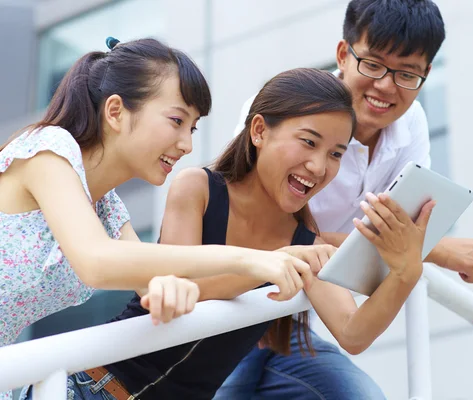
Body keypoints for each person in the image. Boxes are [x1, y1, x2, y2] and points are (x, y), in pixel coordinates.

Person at [50, 67, 434, 400]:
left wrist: (405, 272)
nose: (318, 166)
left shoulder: (305, 244)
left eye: (336, 153)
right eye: (308, 142)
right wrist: (264, 265)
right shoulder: (198, 188)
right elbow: (173, 289)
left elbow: (353, 333)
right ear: (259, 131)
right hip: (95, 385)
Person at [0, 37, 315, 400]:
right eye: (177, 120)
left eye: (192, 128)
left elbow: (157, 283)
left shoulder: (106, 208)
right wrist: (252, 258)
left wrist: (175, 287)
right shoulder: (46, 151)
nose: (187, 144)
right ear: (116, 111)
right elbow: (97, 262)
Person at [217, 0, 473, 398]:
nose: (386, 85)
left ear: (425, 76)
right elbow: (265, 235)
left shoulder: (412, 124)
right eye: (373, 64)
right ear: (342, 54)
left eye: (407, 74)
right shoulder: (284, 108)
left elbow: (383, 245)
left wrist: (409, 256)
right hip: (228, 305)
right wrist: (437, 250)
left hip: (293, 316)